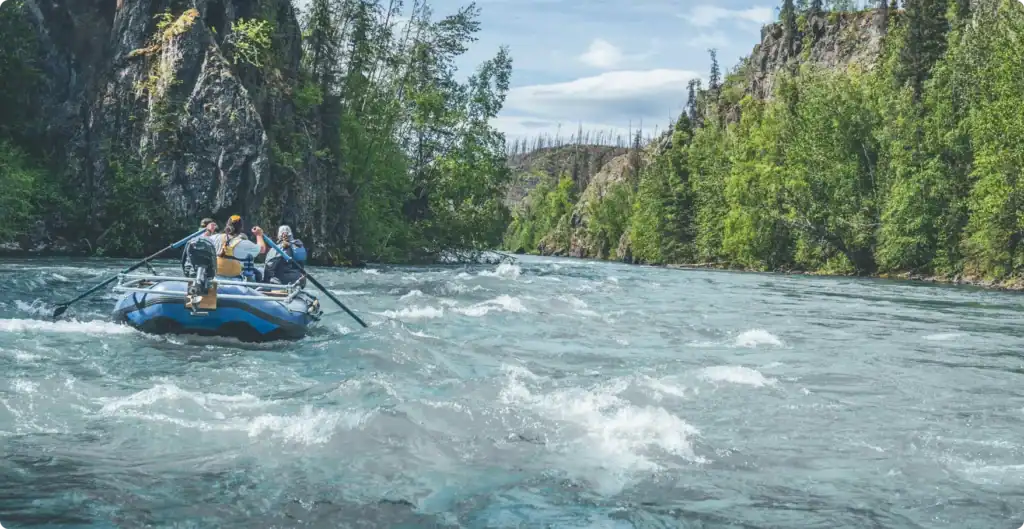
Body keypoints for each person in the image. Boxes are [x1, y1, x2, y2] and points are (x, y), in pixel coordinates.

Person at [211, 215, 261, 281]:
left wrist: (209, 231)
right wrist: (259, 234)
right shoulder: (243, 243)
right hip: (235, 282)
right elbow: (262, 249)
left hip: (215, 280)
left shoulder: (214, 238)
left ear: (227, 225)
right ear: (241, 228)